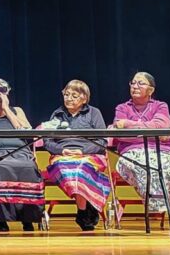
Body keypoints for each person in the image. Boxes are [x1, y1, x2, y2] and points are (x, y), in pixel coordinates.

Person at [112, 71, 170, 230]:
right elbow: (120, 136)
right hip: (132, 151)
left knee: (168, 166)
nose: (135, 86)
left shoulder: (161, 106)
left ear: (151, 90)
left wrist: (128, 125)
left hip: (162, 149)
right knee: (144, 167)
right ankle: (166, 206)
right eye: (133, 83)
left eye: (140, 83)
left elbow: (161, 126)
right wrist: (152, 133)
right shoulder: (122, 108)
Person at [0, 77, 44, 232]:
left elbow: (26, 130)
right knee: (1, 167)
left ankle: (28, 218)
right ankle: (1, 219)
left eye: (3, 90)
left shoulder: (17, 111)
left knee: (29, 167)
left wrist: (7, 111)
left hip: (19, 153)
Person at [45, 79, 110, 231]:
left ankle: (82, 211)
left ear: (84, 99)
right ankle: (86, 210)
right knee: (67, 168)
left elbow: (102, 140)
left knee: (81, 169)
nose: (68, 98)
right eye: (66, 94)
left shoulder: (94, 113)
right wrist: (62, 151)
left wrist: (83, 151)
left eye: (74, 96)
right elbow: (47, 141)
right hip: (62, 155)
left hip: (89, 155)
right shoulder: (58, 114)